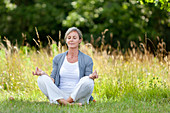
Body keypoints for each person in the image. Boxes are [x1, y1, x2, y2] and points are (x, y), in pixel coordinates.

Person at [32, 27, 98, 106]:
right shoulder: (58, 58)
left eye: (74, 38)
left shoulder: (87, 59)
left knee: (89, 81)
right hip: (60, 94)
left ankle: (64, 102)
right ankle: (65, 103)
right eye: (69, 38)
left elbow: (86, 79)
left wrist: (91, 76)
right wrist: (43, 73)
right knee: (41, 78)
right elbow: (52, 80)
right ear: (66, 40)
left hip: (78, 96)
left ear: (80, 40)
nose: (71, 40)